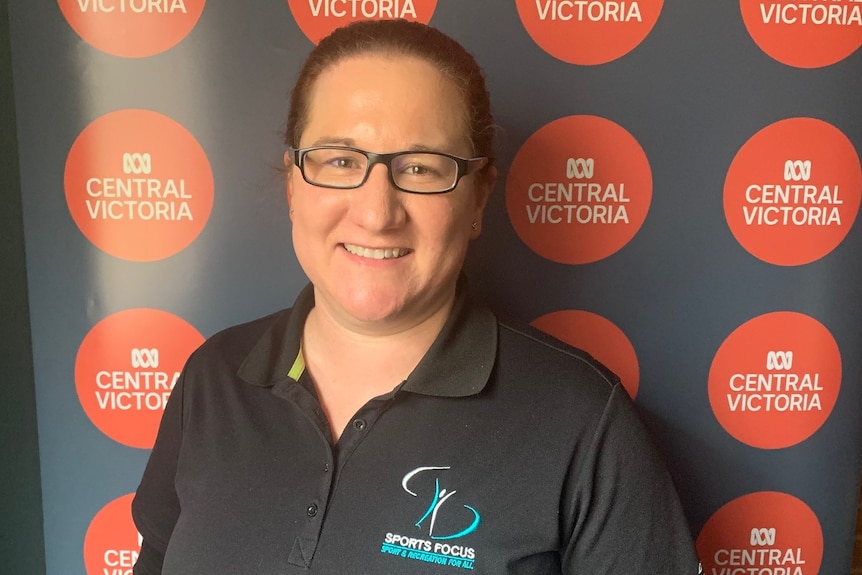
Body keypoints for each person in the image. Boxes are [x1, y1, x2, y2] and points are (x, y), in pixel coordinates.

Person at [132, 18, 700, 574]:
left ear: (478, 199)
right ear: (293, 185)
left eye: (422, 168)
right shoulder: (213, 378)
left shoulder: (584, 421)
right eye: (340, 161)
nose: (378, 213)